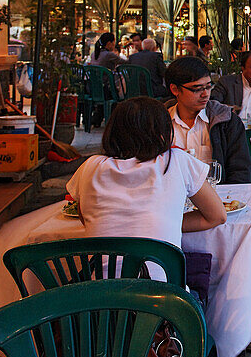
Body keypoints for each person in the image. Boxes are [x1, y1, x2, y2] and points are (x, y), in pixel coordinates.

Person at [165, 56, 251, 351]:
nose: (205, 94)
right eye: (196, 88)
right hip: (169, 203)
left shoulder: (224, 119)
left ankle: (241, 318)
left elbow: (241, 170)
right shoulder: (159, 121)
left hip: (218, 201)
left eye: (208, 87)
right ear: (175, 89)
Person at [66, 96, 226, 250]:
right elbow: (217, 216)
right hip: (160, 276)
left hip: (101, 276)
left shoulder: (91, 166)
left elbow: (86, 217)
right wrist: (166, 222)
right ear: (163, 131)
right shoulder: (176, 160)